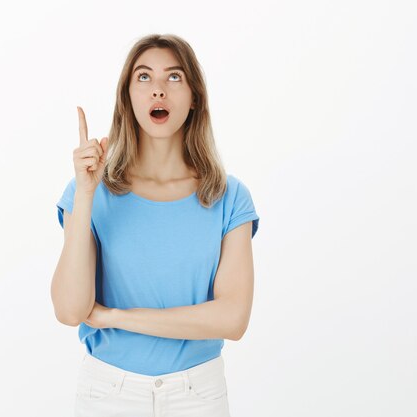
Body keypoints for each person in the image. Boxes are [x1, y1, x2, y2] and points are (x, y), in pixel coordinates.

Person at [51, 33, 260, 417]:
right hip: (109, 393)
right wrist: (84, 194)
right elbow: (69, 309)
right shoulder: (91, 192)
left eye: (174, 77)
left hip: (198, 395)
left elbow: (232, 318)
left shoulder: (228, 196)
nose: (158, 90)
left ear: (194, 96)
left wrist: (116, 318)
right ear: (127, 97)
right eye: (144, 78)